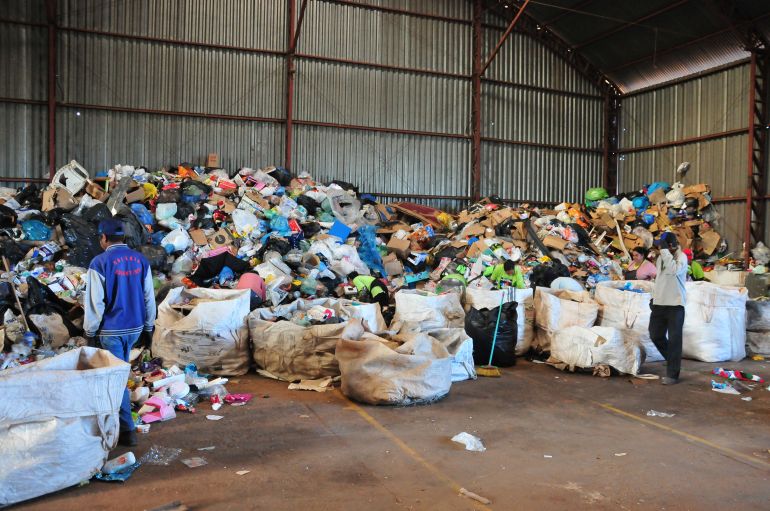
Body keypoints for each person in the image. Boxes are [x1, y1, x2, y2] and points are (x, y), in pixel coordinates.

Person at [84, 219, 156, 446]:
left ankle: (127, 430)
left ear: (104, 238)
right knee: (122, 373)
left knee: (117, 381)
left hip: (111, 331)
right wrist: (149, 327)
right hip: (134, 328)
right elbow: (149, 297)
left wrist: (90, 331)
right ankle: (120, 423)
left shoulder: (100, 262)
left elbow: (95, 303)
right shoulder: (140, 260)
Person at [649, 232, 688, 385]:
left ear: (670, 245)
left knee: (674, 340)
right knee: (655, 335)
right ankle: (672, 359)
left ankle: (673, 373)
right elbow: (659, 279)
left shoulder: (681, 257)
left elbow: (673, 271)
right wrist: (654, 297)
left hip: (675, 305)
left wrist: (665, 251)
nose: (659, 249)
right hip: (659, 303)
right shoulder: (661, 258)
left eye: (662, 246)